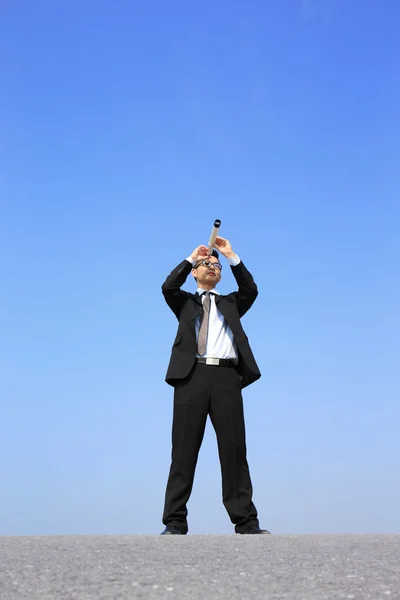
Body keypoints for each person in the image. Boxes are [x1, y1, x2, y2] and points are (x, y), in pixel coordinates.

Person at [160, 236, 270, 535]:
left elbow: (251, 289)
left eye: (216, 266)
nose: (212, 267)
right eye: (206, 264)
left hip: (225, 378)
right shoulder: (185, 302)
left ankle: (246, 521)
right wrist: (189, 258)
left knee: (234, 450)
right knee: (183, 451)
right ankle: (174, 521)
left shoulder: (231, 303)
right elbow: (168, 286)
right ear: (195, 272)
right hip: (190, 377)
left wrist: (231, 255)